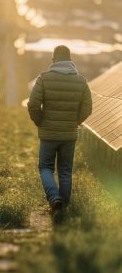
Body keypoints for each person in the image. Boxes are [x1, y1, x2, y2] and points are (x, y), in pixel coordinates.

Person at [27, 45, 92, 223]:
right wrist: (75, 121)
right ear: (70, 60)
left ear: (54, 60)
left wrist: (40, 121)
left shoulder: (44, 78)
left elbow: (33, 104)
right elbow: (88, 107)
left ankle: (55, 200)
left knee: (45, 167)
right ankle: (64, 207)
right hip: (69, 134)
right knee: (65, 171)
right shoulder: (81, 81)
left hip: (48, 134)